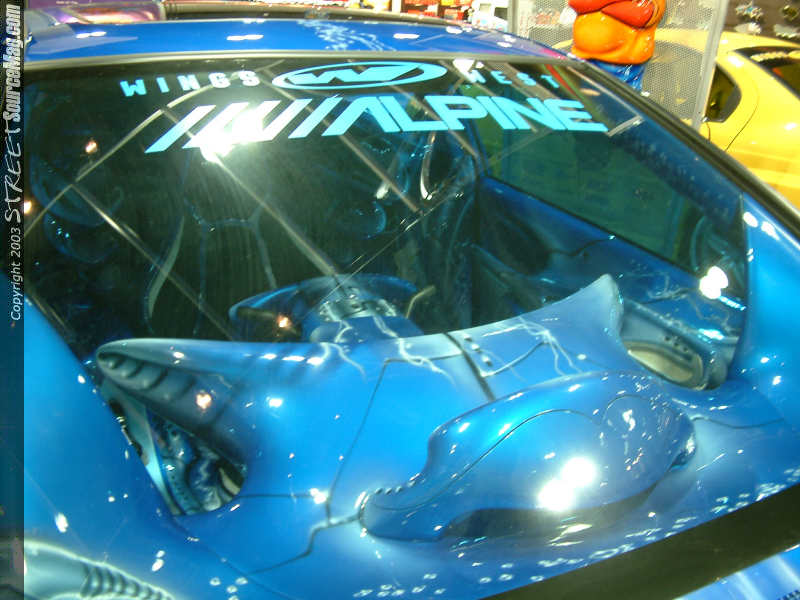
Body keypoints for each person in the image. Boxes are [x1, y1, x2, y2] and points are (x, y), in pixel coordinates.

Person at [569, 0, 665, 90]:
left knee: (618, 97)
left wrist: (596, 5)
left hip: (622, 64)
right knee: (582, 95)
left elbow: (641, 14)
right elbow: (577, 2)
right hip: (582, 57)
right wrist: (615, 5)